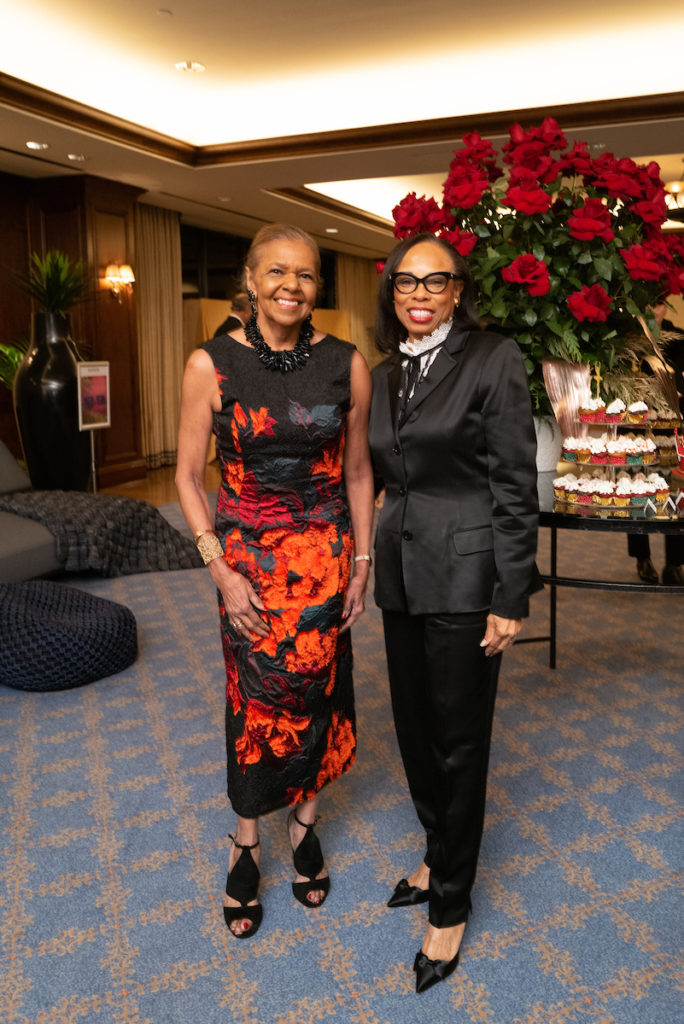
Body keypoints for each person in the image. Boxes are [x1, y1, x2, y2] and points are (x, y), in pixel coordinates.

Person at [176, 224, 374, 939]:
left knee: (318, 686)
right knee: (255, 697)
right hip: (246, 568)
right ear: (252, 281)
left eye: (307, 275)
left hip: (324, 561)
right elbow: (186, 476)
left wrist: (360, 563)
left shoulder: (347, 364)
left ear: (318, 286)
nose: (292, 286)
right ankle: (247, 839)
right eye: (278, 273)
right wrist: (219, 569)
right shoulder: (212, 363)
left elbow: (357, 472)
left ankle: (305, 821)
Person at [368, 233, 539, 992]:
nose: (419, 294)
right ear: (392, 291)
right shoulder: (381, 372)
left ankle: (450, 904)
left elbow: (513, 482)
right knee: (413, 730)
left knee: (459, 742)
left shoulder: (492, 358)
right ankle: (438, 849)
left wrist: (512, 593)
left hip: (468, 579)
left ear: (458, 290)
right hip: (402, 576)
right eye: (406, 281)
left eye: (435, 282)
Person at [628, 301, 684, 585]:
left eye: (659, 304)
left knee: (677, 497)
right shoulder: (629, 342)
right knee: (639, 494)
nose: (653, 311)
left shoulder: (679, 341)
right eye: (646, 304)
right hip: (639, 430)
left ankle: (675, 563)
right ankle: (643, 558)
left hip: (674, 430)